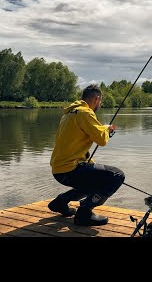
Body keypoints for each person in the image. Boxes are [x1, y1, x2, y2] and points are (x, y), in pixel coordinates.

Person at [48, 84, 125, 226]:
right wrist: (108, 130)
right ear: (96, 99)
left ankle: (60, 202)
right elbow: (101, 139)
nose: (99, 105)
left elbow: (82, 137)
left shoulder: (69, 114)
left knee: (94, 180)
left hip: (58, 170)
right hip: (70, 169)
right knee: (117, 175)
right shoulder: (86, 113)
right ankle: (84, 212)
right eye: (100, 102)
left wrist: (104, 128)